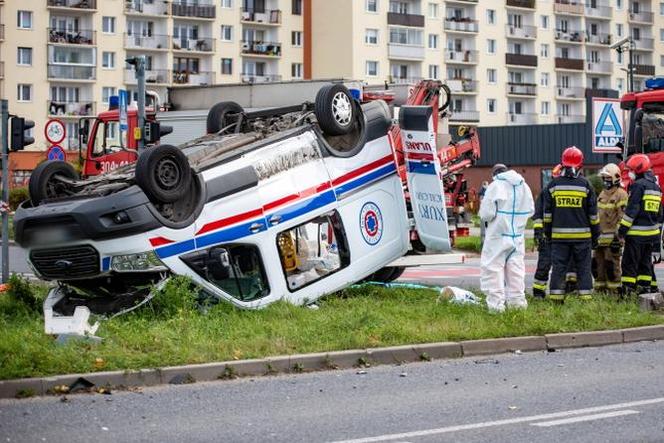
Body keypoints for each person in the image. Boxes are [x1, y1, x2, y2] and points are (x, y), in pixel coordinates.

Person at [543, 146, 599, 301]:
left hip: (559, 238)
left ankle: (556, 300)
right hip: (583, 238)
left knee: (559, 269)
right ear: (580, 165)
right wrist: (596, 237)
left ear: (563, 163)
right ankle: (585, 301)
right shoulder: (586, 186)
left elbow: (547, 215)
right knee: (583, 269)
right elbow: (593, 216)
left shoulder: (553, 186)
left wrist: (548, 234)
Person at [479, 163, 534, 312]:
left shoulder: (495, 185)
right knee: (516, 272)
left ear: (494, 174)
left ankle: (496, 308)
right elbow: (531, 210)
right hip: (517, 237)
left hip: (498, 236)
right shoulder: (524, 186)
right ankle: (517, 306)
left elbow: (486, 214)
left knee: (493, 271)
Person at [618, 154, 662, 296]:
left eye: (631, 170)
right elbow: (659, 214)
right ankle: (645, 290)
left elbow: (632, 211)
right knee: (645, 264)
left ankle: (628, 292)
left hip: (636, 235)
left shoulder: (638, 186)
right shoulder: (656, 187)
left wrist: (622, 232)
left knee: (629, 263)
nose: (629, 173)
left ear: (638, 170)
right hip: (651, 235)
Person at [594, 163, 628, 294]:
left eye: (608, 178)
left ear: (615, 178)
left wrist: (618, 238)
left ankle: (614, 296)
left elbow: (622, 218)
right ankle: (600, 293)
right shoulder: (602, 194)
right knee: (597, 268)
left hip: (612, 241)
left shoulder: (621, 194)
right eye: (604, 178)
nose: (605, 181)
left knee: (612, 268)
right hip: (600, 241)